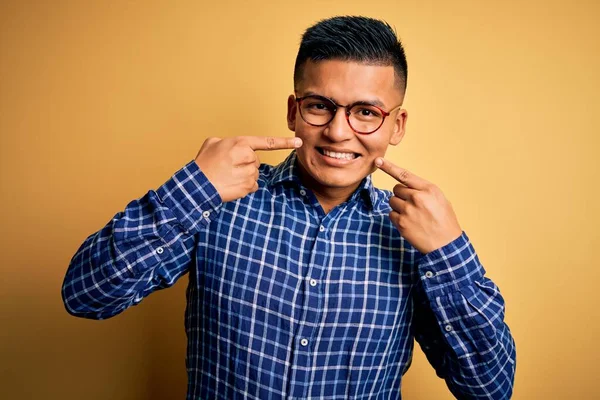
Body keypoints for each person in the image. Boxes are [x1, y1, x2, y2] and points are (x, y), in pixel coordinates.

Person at [62, 15, 516, 399]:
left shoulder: (419, 239)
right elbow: (86, 295)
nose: (338, 132)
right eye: (320, 106)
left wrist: (449, 254)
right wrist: (193, 187)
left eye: (365, 112)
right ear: (293, 112)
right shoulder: (218, 201)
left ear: (395, 125)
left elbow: (490, 388)